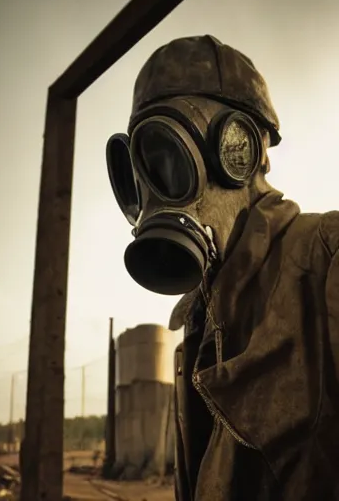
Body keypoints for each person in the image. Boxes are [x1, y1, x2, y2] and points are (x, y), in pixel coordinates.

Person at [105, 35, 339, 500]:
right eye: (143, 170)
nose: (156, 195)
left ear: (242, 149)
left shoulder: (326, 258)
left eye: (169, 156)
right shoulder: (197, 323)